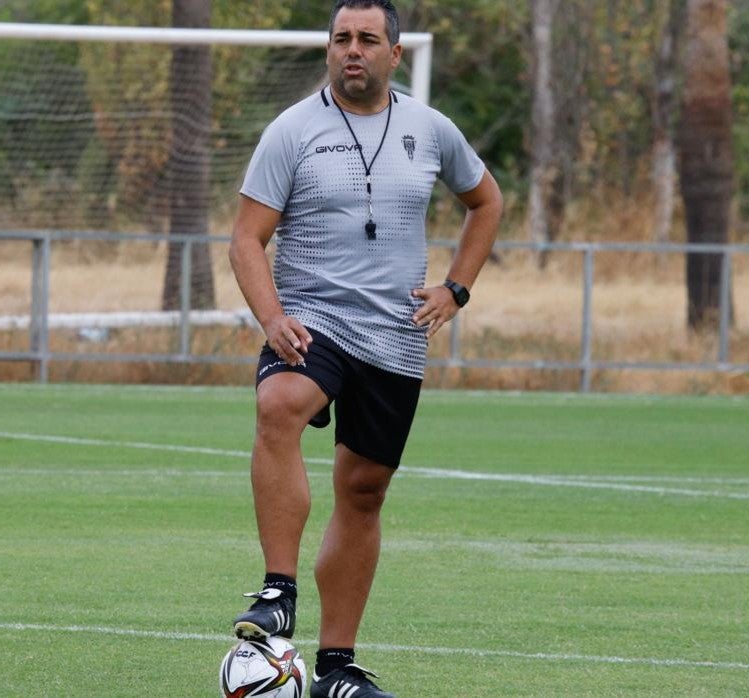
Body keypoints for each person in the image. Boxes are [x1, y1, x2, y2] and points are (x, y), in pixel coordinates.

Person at [226, 1, 503, 695]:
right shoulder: (291, 131)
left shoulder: (431, 129)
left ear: (394, 54)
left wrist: (457, 289)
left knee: (364, 491)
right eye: (342, 38)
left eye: (368, 39)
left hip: (396, 336)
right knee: (279, 404)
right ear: (328, 50)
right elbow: (246, 239)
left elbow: (487, 201)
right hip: (313, 320)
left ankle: (336, 669)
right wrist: (272, 317)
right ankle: (277, 590)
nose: (353, 49)